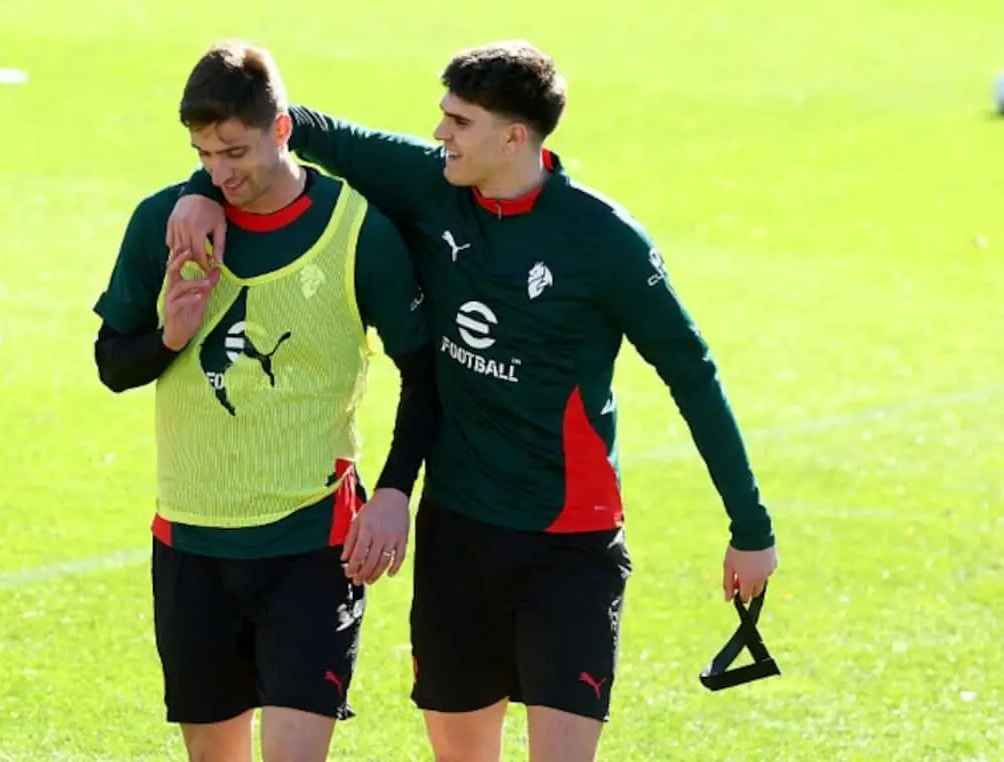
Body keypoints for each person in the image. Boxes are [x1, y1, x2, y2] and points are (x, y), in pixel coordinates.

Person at [166, 40, 779, 762]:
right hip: (457, 535)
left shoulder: (604, 241)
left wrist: (750, 527)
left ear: (514, 137)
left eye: (459, 122)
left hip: (570, 541)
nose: (440, 134)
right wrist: (201, 189)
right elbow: (282, 127)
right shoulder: (429, 181)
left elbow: (692, 374)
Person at [92, 40, 436, 762]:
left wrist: (394, 492)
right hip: (191, 540)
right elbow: (113, 365)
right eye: (203, 155)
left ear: (282, 130)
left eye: (235, 153)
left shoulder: (358, 233)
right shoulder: (166, 222)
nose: (221, 174)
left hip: (312, 545)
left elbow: (424, 373)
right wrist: (170, 337)